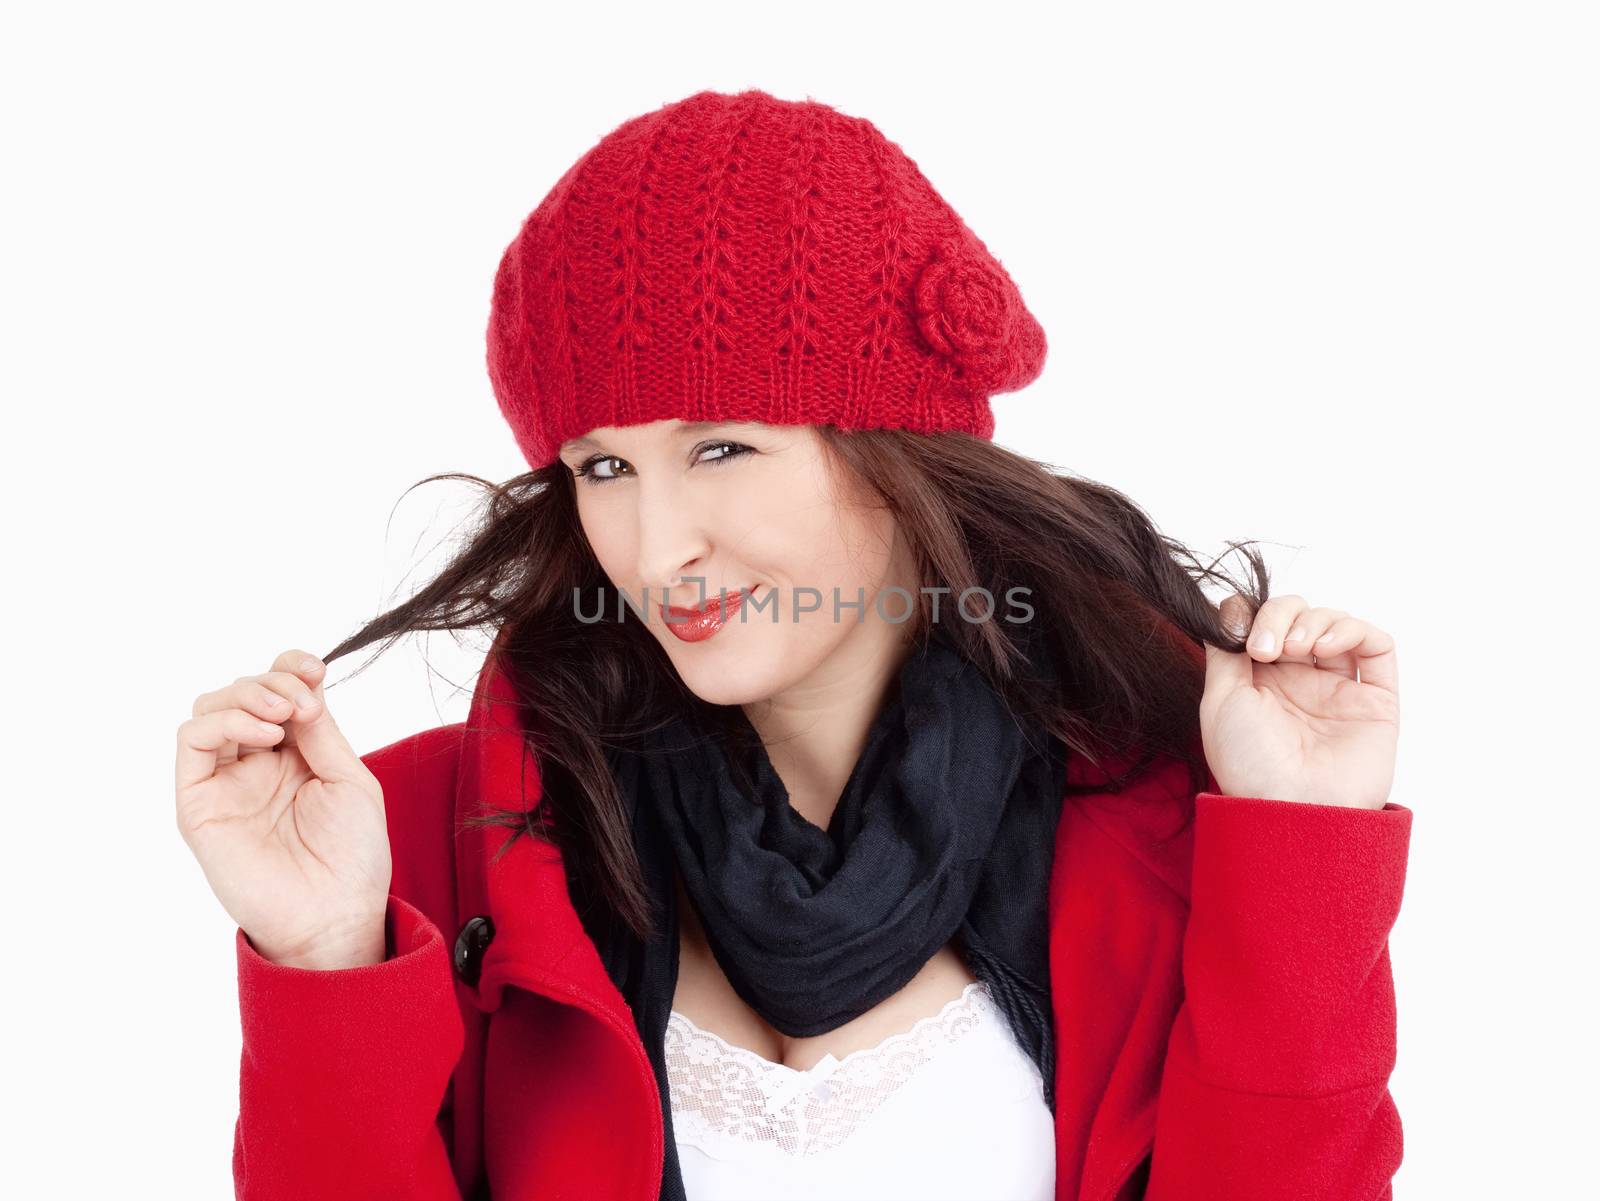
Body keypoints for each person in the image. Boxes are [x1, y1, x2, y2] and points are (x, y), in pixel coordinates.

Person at [175, 88, 1411, 1201]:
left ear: (898, 450)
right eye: (603, 465)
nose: (657, 551)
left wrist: (1299, 851)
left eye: (721, 447)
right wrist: (327, 962)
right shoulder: (423, 833)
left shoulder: (1162, 810)